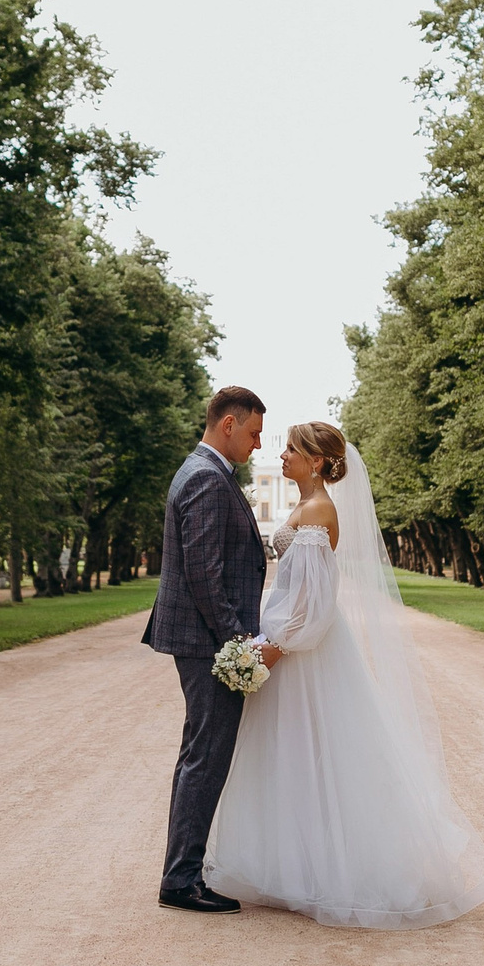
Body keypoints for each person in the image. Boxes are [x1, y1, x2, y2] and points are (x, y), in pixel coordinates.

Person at [203, 420, 484, 929]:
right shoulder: (305, 505)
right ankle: (292, 867)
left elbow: (316, 602)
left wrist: (274, 649)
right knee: (288, 756)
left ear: (317, 461)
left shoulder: (319, 510)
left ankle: (324, 872)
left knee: (311, 754)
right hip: (285, 644)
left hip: (301, 654)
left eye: (292, 449)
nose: (282, 455)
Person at [143, 386, 271, 913]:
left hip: (204, 638)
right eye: (254, 433)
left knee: (200, 753)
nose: (258, 444)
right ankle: (180, 881)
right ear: (229, 425)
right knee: (206, 756)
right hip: (207, 642)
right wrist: (236, 644)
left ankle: (183, 872)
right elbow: (203, 571)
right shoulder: (205, 477)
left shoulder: (208, 472)